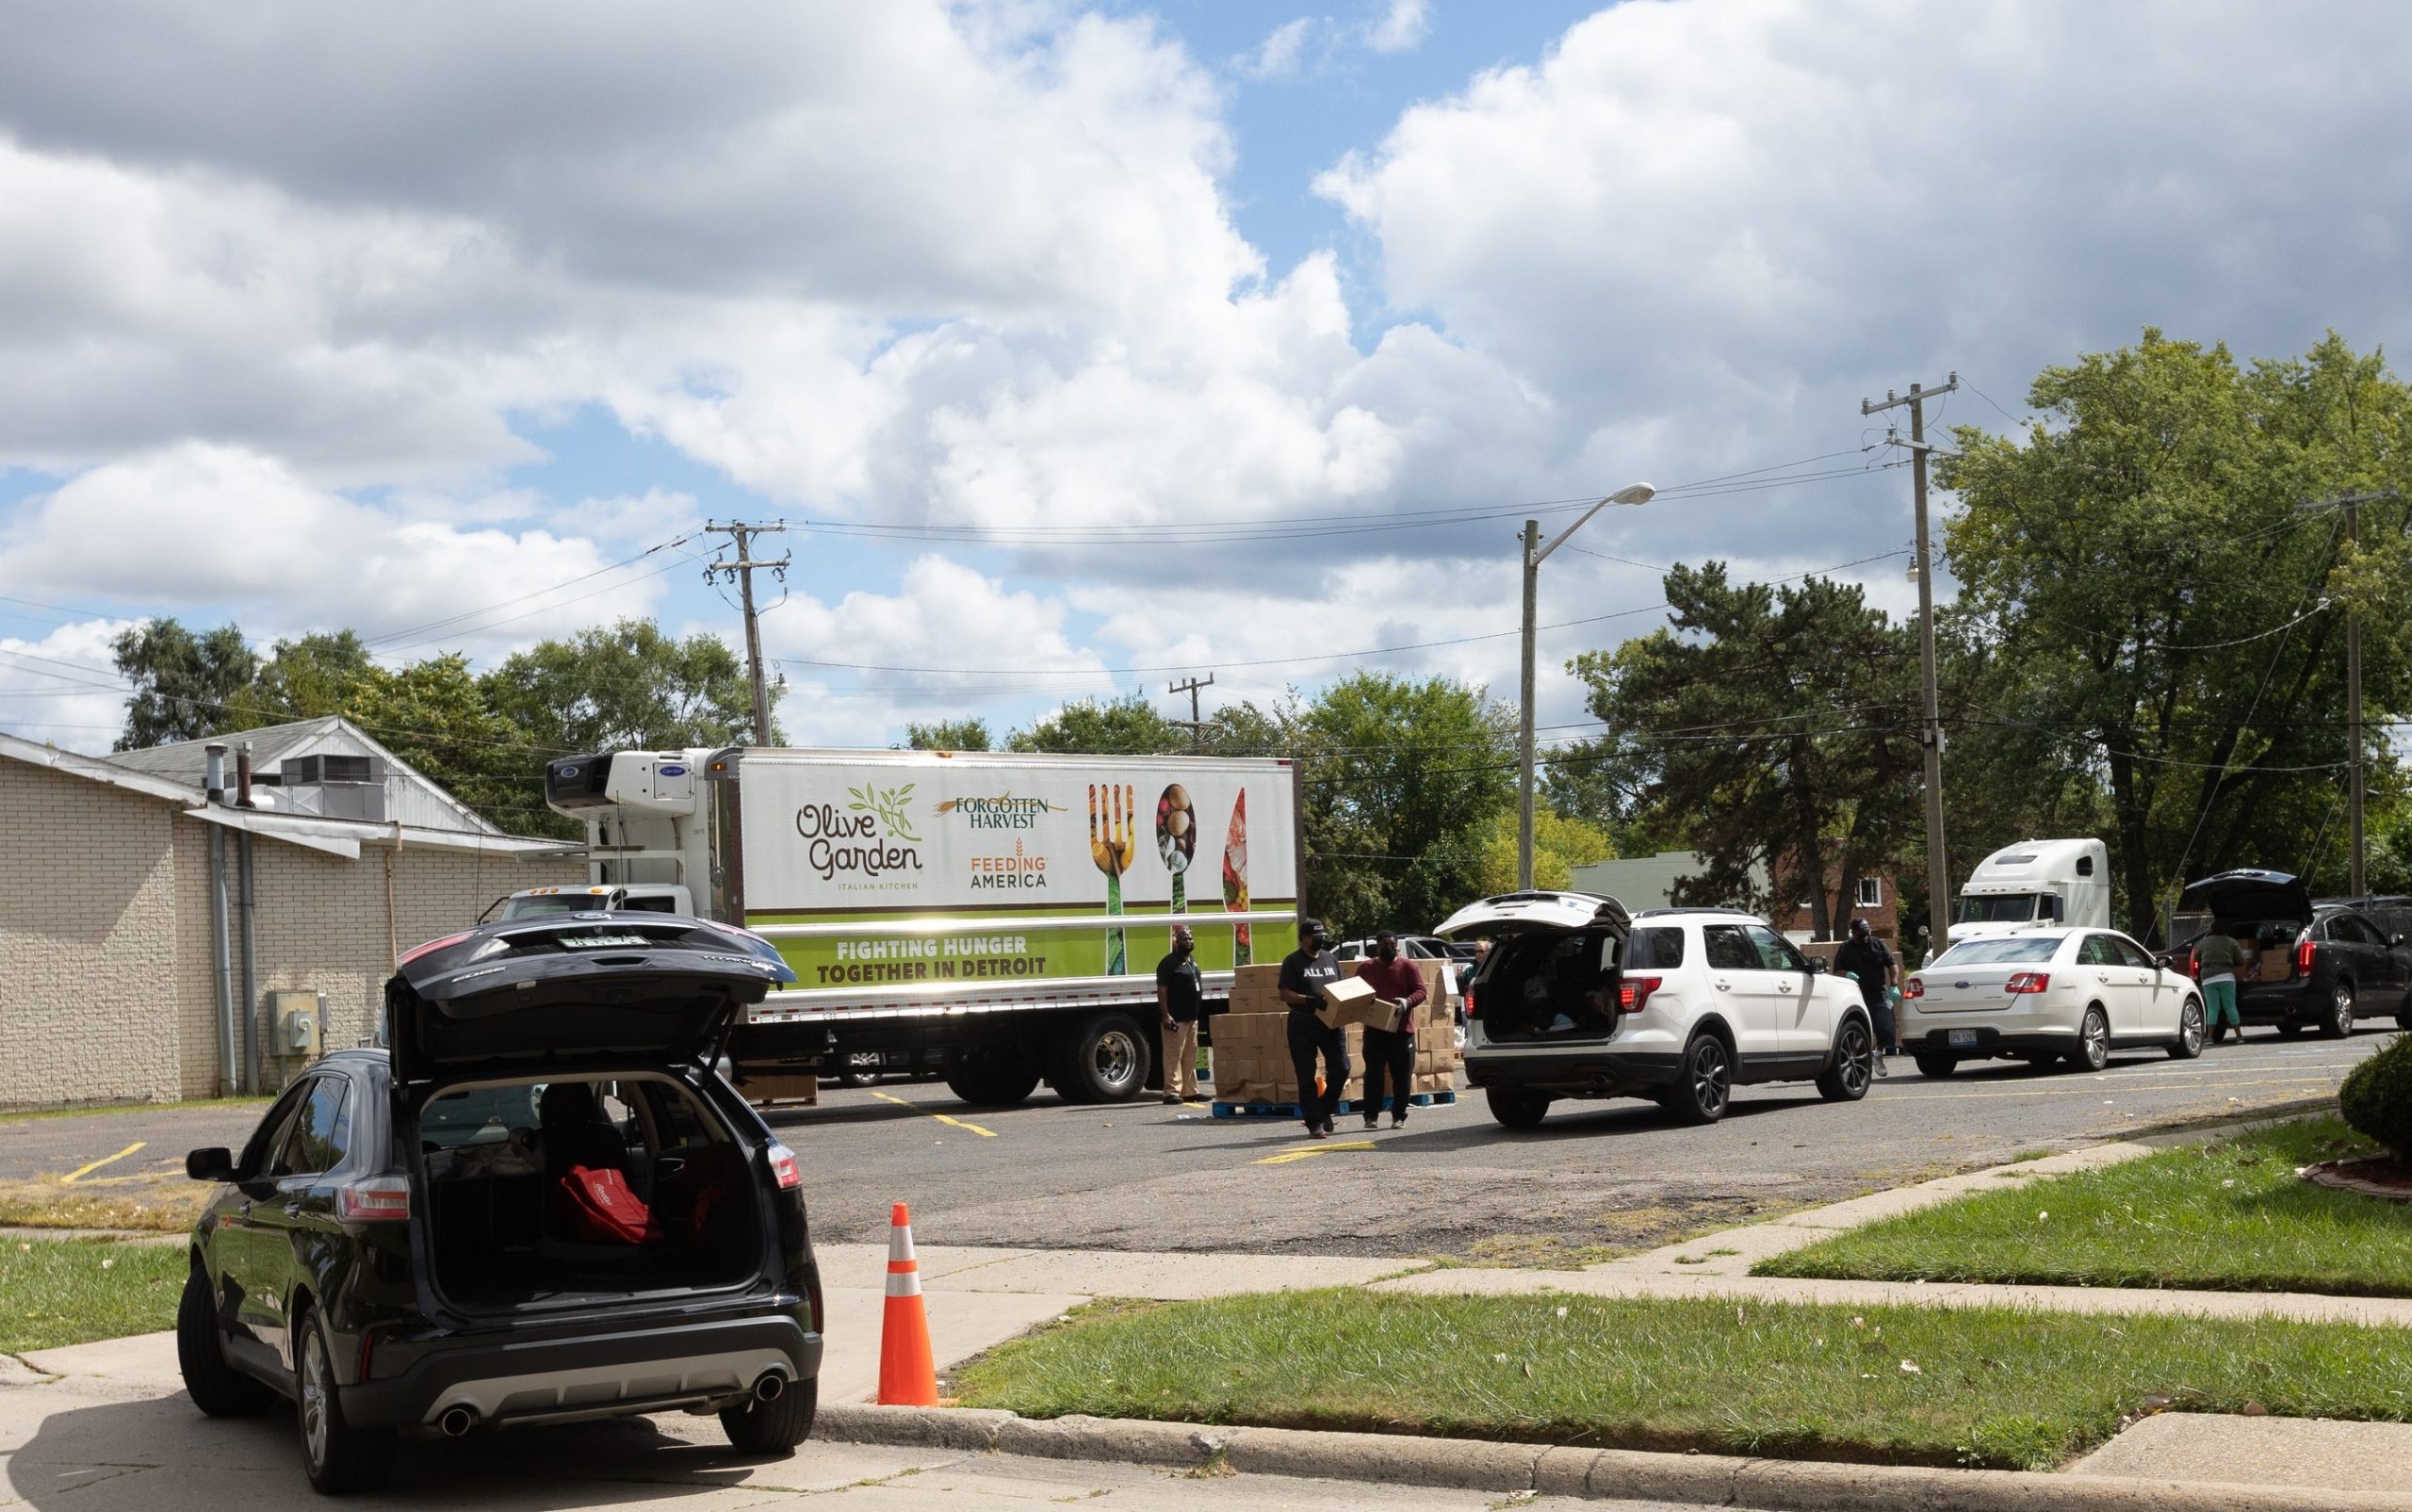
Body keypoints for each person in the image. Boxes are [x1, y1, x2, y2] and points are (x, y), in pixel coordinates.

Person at [1278, 918, 1347, 1137]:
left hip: (1331, 1023)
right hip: (1303, 1023)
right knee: (1306, 1074)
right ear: (1304, 939)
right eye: (1316, 936)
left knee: (1342, 1068)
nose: (1320, 940)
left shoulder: (1330, 959)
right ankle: (1314, 1122)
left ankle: (1323, 1109)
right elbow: (1284, 993)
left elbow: (1343, 987)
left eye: (1322, 936)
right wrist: (1309, 1000)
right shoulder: (1293, 962)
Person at [1353, 931, 1429, 1130]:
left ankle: (1399, 1115)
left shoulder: (1408, 966)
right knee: (1373, 1074)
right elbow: (1354, 992)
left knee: (1402, 1075)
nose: (1390, 948)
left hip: (1402, 1031)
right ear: (1377, 947)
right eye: (1385, 945)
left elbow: (1421, 991)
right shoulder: (1366, 967)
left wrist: (1408, 1002)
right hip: (1374, 1030)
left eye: (1393, 945)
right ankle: (1371, 1116)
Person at [1832, 918, 1898, 1077]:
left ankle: (1878, 1055)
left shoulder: (1877, 944)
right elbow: (1837, 971)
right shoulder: (1846, 948)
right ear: (1853, 933)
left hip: (1879, 994)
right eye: (1861, 935)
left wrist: (1894, 984)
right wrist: (1846, 974)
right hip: (1857, 995)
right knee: (1861, 1030)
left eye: (1866, 934)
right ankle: (1857, 1061)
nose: (1864, 938)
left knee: (1886, 1029)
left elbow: (1892, 963)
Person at [1155, 924, 1205, 1102]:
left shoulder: (1192, 961)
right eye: (1185, 938)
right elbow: (1162, 990)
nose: (1188, 941)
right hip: (1176, 1018)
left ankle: (1190, 1090)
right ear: (1176, 941)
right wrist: (1165, 1015)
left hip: (1192, 1017)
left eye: (1190, 938)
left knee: (1191, 1055)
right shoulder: (1168, 963)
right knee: (1174, 1055)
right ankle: (1171, 1092)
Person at [2193, 927, 2246, 1044]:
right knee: (2230, 1007)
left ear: (2212, 930)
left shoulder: (2204, 942)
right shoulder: (2231, 941)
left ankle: (2209, 1038)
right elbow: (2241, 961)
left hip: (2208, 978)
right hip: (2226, 977)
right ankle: (2239, 1036)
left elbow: (2197, 957)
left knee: (2212, 1009)